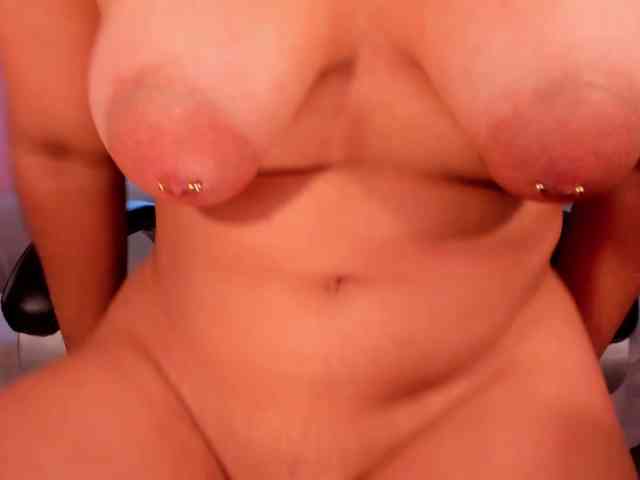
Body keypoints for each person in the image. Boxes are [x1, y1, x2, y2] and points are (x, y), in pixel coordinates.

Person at [0, 1, 639, 478]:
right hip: (168, 380)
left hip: (495, 386)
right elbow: (62, 153)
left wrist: (570, 373)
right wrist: (98, 364)